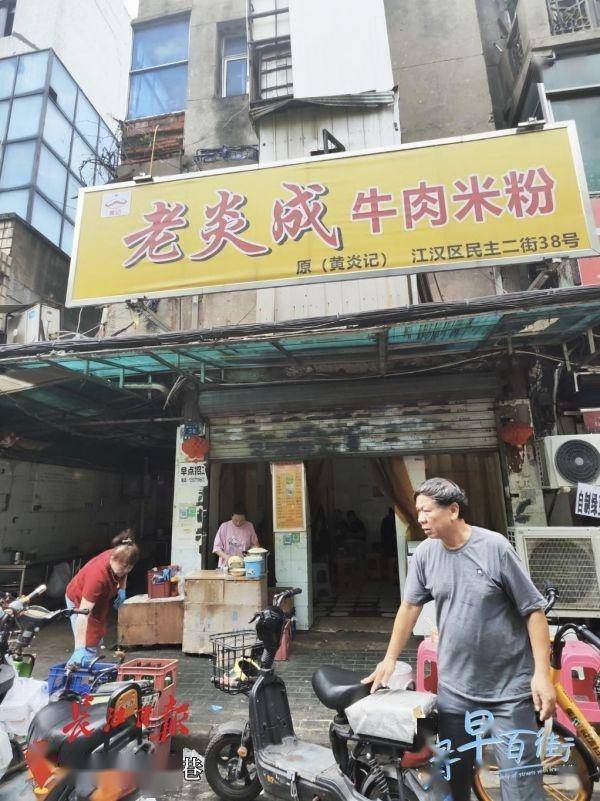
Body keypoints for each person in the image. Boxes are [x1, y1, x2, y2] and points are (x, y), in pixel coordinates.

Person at [363, 478, 555, 801]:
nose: (420, 518)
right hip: (456, 693)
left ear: (453, 510)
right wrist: (390, 658)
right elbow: (409, 608)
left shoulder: (494, 549)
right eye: (418, 511)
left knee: (521, 786)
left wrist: (541, 674)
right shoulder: (425, 554)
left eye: (427, 511)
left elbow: (533, 611)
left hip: (508, 693)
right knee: (453, 781)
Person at [65, 529, 139, 666]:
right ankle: (73, 668)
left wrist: (122, 589)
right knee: (88, 644)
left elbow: (124, 572)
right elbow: (82, 614)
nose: (124, 572)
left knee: (97, 635)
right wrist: (79, 648)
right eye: (122, 568)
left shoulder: (123, 554)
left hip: (100, 598)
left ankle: (91, 662)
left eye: (128, 569)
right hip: (79, 599)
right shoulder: (96, 577)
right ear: (112, 558)